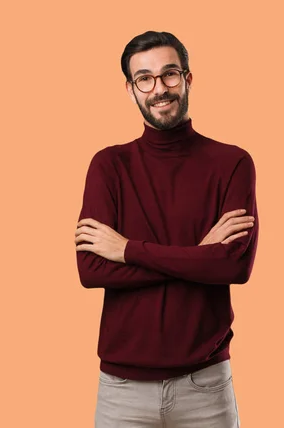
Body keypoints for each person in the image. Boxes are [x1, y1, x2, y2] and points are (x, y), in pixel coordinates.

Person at [74, 30, 259, 427]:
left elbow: (233, 269)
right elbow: (91, 271)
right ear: (131, 89)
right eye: (145, 78)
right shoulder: (108, 167)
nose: (159, 89)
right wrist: (198, 255)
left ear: (188, 78)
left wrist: (127, 249)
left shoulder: (232, 163)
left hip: (206, 386)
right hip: (122, 389)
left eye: (170, 74)